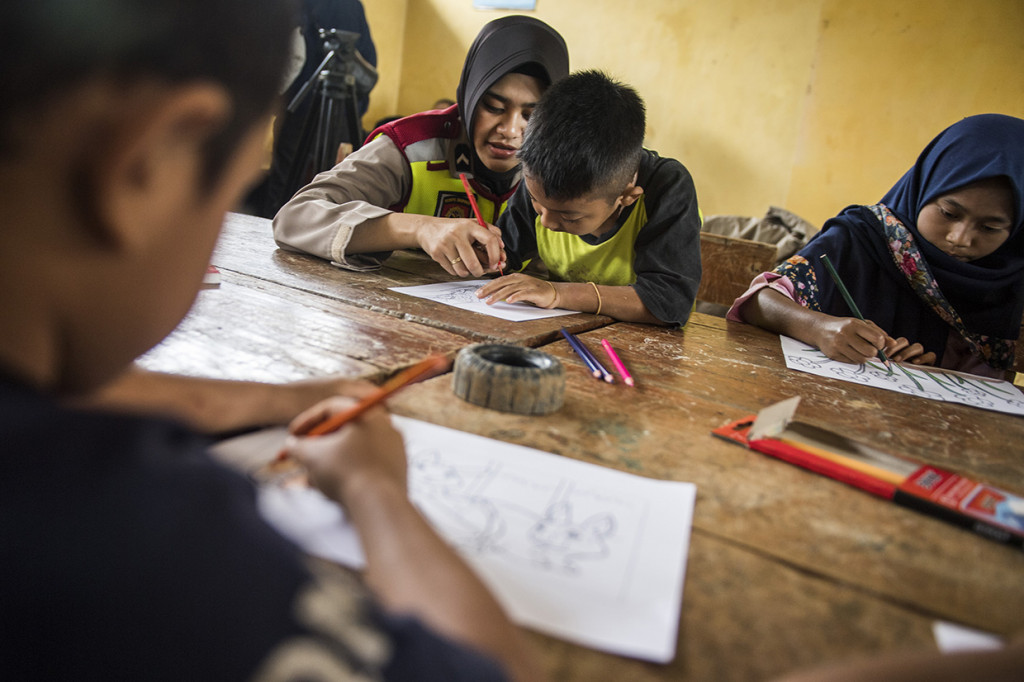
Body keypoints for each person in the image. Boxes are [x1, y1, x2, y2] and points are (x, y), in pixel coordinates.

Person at [0, 1, 541, 680]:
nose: (512, 129)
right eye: (233, 186)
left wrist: (250, 400)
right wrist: (375, 490)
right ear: (147, 163)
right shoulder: (137, 541)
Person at [272, 15, 569, 279]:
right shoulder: (410, 145)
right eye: (493, 106)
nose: (510, 130)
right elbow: (294, 219)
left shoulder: (571, 159)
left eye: (532, 115)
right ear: (469, 96)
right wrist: (420, 228)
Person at [728, 114, 1024, 378]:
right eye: (948, 213)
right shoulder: (862, 238)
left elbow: (991, 386)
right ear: (924, 187)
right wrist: (819, 328)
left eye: (990, 228)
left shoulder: (1006, 280)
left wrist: (929, 375)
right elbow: (759, 302)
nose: (960, 238)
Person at [476, 70, 702, 326]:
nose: (547, 222)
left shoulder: (667, 187)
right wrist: (480, 252)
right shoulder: (542, 179)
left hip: (647, 344)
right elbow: (503, 258)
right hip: (562, 330)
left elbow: (668, 303)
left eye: (570, 216)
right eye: (536, 203)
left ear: (627, 196)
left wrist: (558, 293)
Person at [251, 0, 378, 219]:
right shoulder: (346, 6)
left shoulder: (327, 5)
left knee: (294, 191)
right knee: (316, 191)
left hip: (312, 109)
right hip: (316, 107)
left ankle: (278, 230)